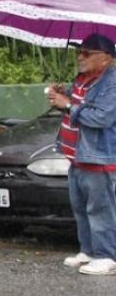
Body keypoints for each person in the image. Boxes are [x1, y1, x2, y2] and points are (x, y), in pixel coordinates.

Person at [46, 33, 116, 275]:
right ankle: (88, 250)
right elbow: (78, 105)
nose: (80, 57)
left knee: (100, 209)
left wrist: (66, 104)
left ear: (106, 58)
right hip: (76, 155)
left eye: (87, 53)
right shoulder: (83, 80)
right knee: (81, 206)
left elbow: (101, 117)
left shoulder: (112, 83)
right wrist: (63, 93)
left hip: (98, 158)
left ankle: (107, 256)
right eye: (79, 52)